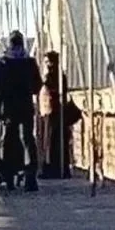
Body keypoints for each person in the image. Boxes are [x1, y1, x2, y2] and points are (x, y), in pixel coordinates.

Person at [0, 30, 41, 192]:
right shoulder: (29, 62)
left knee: (8, 140)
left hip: (9, 107)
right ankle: (30, 178)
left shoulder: (4, 62)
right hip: (25, 106)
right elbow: (37, 86)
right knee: (27, 139)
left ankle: (8, 176)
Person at [38, 50, 79, 179]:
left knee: (53, 141)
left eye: (48, 62)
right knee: (51, 141)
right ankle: (54, 168)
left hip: (55, 112)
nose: (47, 65)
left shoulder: (56, 76)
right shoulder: (53, 75)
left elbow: (57, 92)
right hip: (49, 112)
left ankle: (54, 169)